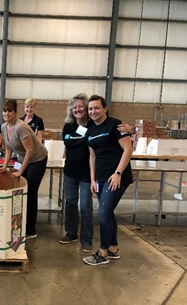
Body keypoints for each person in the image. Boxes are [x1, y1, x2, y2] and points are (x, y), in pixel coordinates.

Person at [83, 95, 133, 266]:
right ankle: (113, 248)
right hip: (102, 177)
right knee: (108, 212)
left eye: (97, 108)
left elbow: (128, 149)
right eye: (90, 109)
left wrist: (118, 173)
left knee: (103, 213)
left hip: (117, 177)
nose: (93, 111)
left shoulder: (115, 125)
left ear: (105, 108)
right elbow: (92, 157)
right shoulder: (90, 131)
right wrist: (92, 180)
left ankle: (102, 252)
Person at [0, 99, 48, 239]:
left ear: (15, 112)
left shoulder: (21, 127)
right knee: (21, 190)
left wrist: (20, 171)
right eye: (4, 111)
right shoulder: (3, 127)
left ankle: (31, 230)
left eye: (10, 111)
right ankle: (20, 223)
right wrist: (4, 166)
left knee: (30, 191)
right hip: (23, 159)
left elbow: (30, 150)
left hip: (37, 159)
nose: (7, 113)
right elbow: (8, 148)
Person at [59, 93, 94, 253]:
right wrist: (79, 141)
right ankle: (71, 233)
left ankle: (86, 239)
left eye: (81, 106)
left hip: (87, 173)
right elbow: (68, 144)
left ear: (86, 108)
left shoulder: (94, 126)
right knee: (71, 202)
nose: (78, 110)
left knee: (85, 206)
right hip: (70, 171)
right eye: (75, 107)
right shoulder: (68, 126)